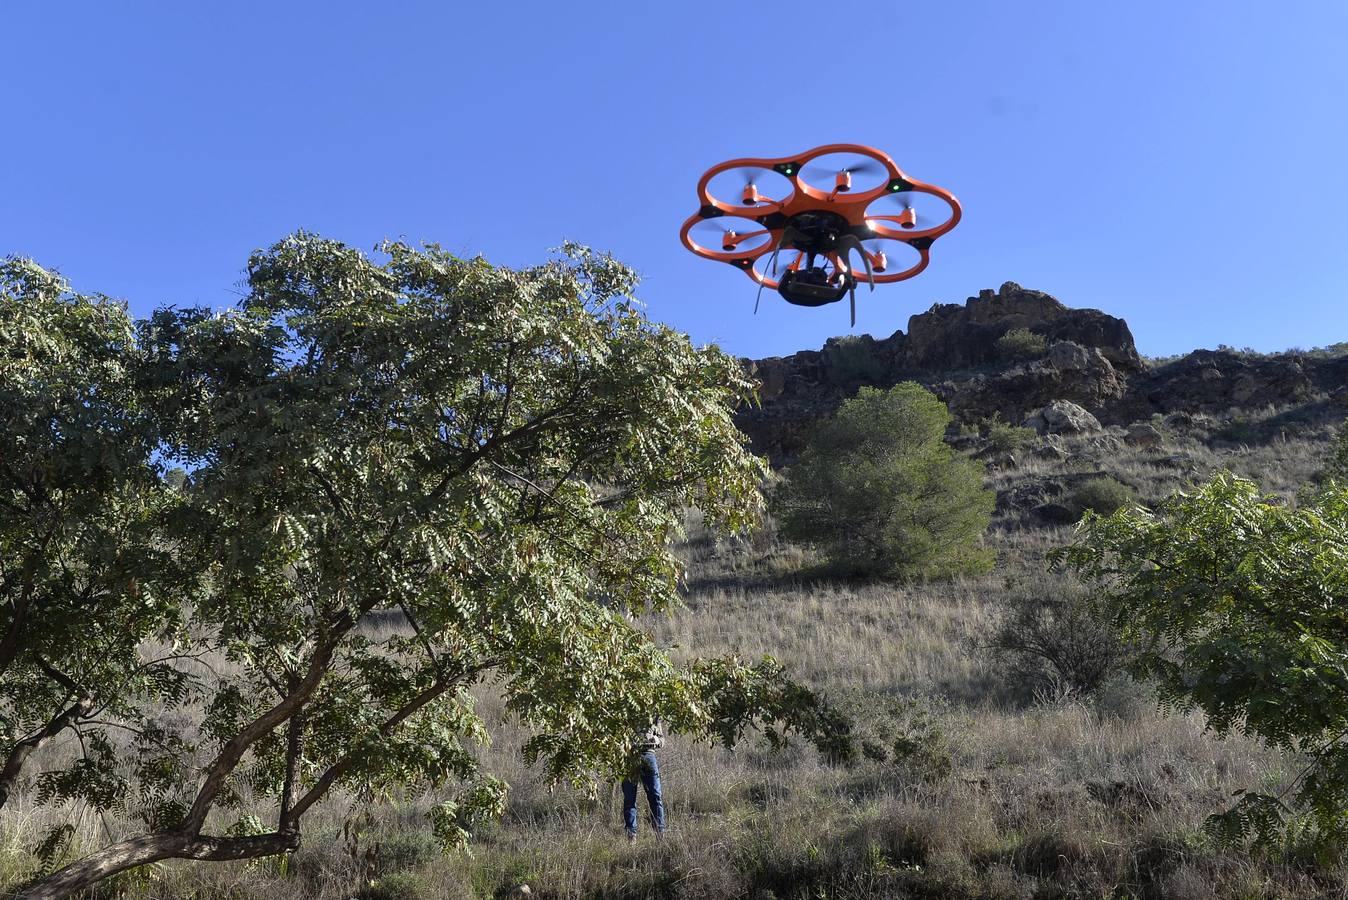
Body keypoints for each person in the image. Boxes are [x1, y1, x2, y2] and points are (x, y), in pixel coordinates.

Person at [621, 718, 665, 841]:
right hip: (629, 756)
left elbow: (662, 740)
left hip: (648, 754)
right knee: (629, 798)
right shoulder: (623, 707)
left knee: (655, 795)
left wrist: (656, 740)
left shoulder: (654, 713)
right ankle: (631, 836)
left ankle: (660, 834)